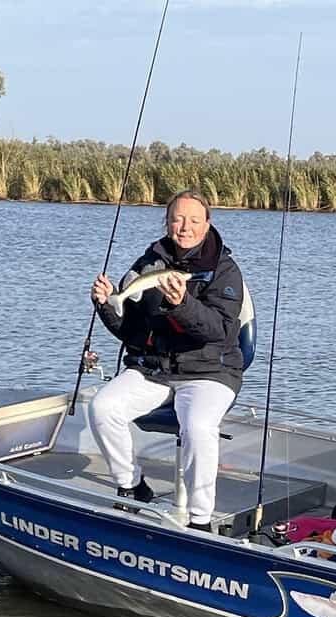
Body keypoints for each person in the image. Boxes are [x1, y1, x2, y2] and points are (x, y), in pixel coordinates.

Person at [89, 189, 244, 531]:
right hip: (156, 369)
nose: (184, 227)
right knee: (102, 407)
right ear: (167, 222)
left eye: (193, 220)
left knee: (198, 427)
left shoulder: (226, 270)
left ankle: (201, 521)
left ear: (207, 224)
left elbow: (216, 330)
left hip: (211, 371)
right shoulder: (149, 263)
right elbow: (132, 332)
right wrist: (106, 304)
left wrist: (181, 303)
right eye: (177, 219)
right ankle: (132, 486)